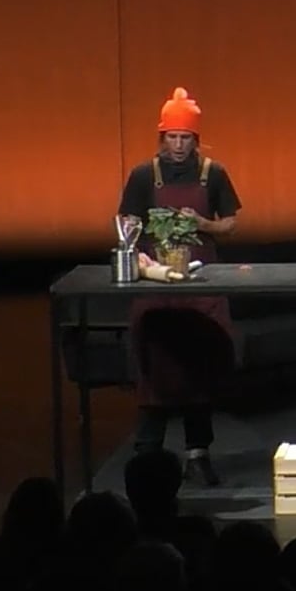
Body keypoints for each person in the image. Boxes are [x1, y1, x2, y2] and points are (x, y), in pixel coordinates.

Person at [117, 87, 243, 485]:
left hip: (199, 288)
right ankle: (147, 453)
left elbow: (230, 224)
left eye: (185, 138)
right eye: (172, 137)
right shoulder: (143, 175)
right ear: (162, 137)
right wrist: (137, 251)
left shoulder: (213, 173)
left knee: (198, 370)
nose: (178, 145)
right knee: (154, 368)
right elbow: (127, 221)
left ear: (195, 139)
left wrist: (202, 224)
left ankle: (197, 455)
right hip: (157, 287)